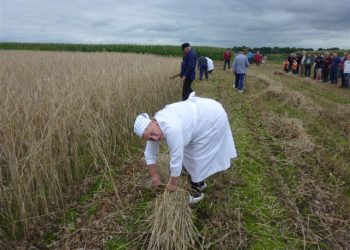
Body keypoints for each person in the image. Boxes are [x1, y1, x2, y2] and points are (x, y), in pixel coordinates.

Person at [133, 92, 237, 204]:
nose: (155, 137)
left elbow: (176, 157)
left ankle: (196, 193)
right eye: (150, 138)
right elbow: (149, 153)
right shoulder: (153, 128)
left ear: (153, 122)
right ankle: (199, 182)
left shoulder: (171, 127)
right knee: (191, 156)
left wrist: (173, 184)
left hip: (212, 117)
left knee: (197, 157)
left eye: (153, 133)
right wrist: (154, 176)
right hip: (200, 117)